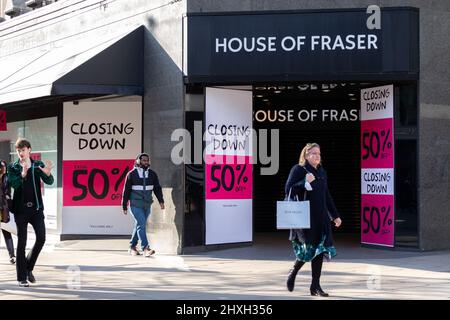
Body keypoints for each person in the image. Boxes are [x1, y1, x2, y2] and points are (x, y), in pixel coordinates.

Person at [284, 143, 342, 297]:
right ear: (306, 155)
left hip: (321, 218)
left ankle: (315, 286)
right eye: (314, 153)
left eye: (319, 153)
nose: (317, 156)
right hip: (305, 219)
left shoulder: (321, 172)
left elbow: (326, 195)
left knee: (319, 250)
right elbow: (288, 189)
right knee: (307, 251)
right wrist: (304, 182)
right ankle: (294, 271)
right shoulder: (298, 170)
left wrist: (334, 215)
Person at [8, 138, 54, 287]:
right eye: (18, 150)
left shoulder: (37, 165)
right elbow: (14, 184)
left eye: (23, 150)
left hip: (36, 209)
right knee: (22, 243)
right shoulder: (13, 167)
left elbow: (49, 181)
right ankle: (22, 277)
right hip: (21, 211)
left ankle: (28, 268)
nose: (20, 153)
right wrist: (22, 174)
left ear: (29, 150)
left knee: (41, 238)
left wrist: (47, 174)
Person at [122, 153, 164, 258]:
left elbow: (157, 188)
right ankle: (145, 248)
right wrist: (124, 205)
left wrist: (161, 201)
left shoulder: (152, 174)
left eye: (147, 160)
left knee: (139, 225)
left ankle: (132, 247)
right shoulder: (131, 174)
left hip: (147, 204)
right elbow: (126, 191)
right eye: (143, 160)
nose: (146, 162)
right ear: (138, 161)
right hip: (135, 204)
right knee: (142, 224)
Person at [0, 159, 16, 264]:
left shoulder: (7, 178)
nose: (4, 169)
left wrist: (8, 198)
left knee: (6, 232)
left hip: (4, 209)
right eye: (2, 167)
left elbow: (8, 192)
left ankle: (12, 255)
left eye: (5, 167)